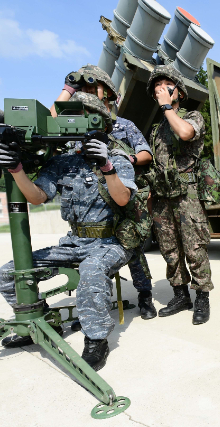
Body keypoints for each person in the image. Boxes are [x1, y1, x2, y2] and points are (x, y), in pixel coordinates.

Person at [0, 92, 137, 371]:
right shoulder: (62, 163)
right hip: (73, 241)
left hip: (110, 240)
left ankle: (96, 339)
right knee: (8, 274)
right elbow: (36, 197)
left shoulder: (116, 159)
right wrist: (15, 169)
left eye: (85, 117)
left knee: (92, 270)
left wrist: (106, 166)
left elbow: (122, 199)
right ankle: (43, 322)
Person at [52, 64, 157, 319]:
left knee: (132, 246)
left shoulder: (123, 125)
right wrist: (67, 91)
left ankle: (145, 294)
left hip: (123, 190)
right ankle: (95, 300)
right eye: (83, 88)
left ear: (109, 93)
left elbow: (146, 154)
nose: (87, 92)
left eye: (93, 87)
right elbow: (48, 123)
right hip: (93, 197)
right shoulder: (74, 122)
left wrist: (124, 161)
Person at [146, 64, 212, 325]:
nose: (160, 89)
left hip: (187, 194)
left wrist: (166, 109)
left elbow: (185, 133)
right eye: (156, 87)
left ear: (179, 92)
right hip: (163, 196)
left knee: (194, 247)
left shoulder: (192, 116)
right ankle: (180, 294)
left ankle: (202, 297)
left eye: (166, 85)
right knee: (169, 249)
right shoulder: (155, 129)